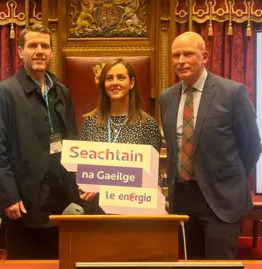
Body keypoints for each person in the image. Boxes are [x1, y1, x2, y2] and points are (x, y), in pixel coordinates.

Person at [0, 24, 90, 260]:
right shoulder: (4, 92)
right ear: (20, 52)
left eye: (45, 46)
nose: (39, 51)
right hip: (24, 203)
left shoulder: (61, 92)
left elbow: (73, 141)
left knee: (62, 261)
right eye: (33, 45)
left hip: (62, 200)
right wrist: (9, 196)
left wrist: (79, 184)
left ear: (51, 52)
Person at [159, 31, 262, 260]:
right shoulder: (166, 98)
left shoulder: (232, 93)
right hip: (183, 200)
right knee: (190, 263)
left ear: (204, 56)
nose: (181, 61)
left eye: (188, 54)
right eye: (176, 55)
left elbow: (252, 145)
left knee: (220, 265)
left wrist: (229, 178)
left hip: (221, 199)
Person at [79, 58, 164, 212]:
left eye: (121, 77)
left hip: (133, 209)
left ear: (131, 83)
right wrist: (83, 187)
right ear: (103, 85)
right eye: (109, 78)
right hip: (96, 208)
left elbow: (153, 173)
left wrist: (157, 202)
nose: (115, 82)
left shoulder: (147, 125)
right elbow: (82, 169)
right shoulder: (90, 122)